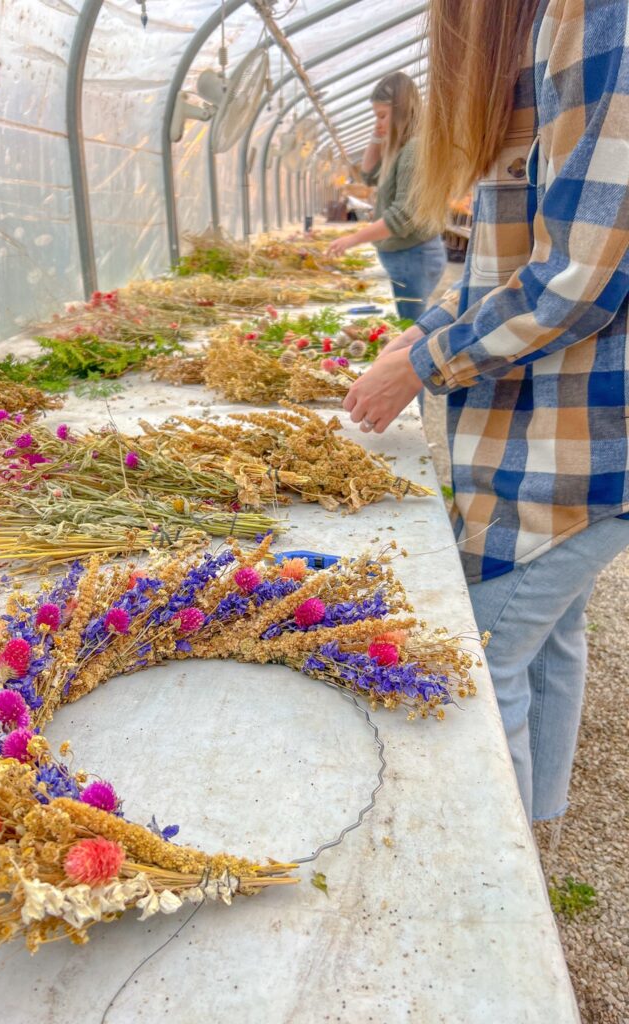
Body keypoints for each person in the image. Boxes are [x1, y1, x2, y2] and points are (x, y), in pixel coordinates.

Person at [343, 0, 629, 825]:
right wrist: (411, 347)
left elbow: (577, 277)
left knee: (481, 659)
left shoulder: (595, 15)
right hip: (550, 445)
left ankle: (490, 903)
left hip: (571, 448)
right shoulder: (546, 33)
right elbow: (497, 269)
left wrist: (424, 363)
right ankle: (536, 833)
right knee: (549, 639)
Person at [327, 71, 446, 321]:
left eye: (382, 115)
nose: (377, 123)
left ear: (402, 110)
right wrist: (378, 132)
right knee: (406, 324)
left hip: (414, 256)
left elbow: (402, 217)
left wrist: (352, 239)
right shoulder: (401, 148)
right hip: (406, 256)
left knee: (408, 328)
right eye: (374, 116)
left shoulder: (414, 150)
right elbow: (368, 174)